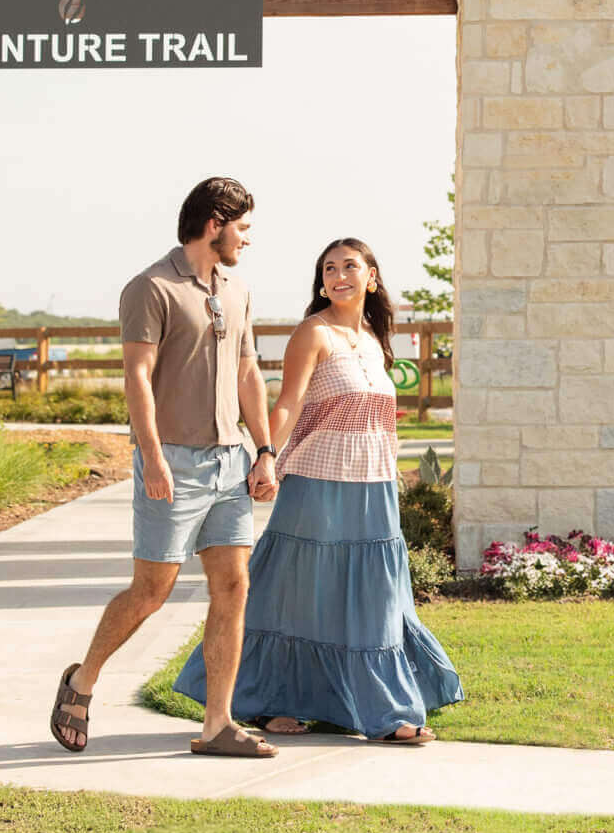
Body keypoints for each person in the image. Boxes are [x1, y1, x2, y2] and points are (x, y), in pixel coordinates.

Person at [173, 237, 462, 744]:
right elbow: (287, 403)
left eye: (350, 266)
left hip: (373, 485)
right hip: (318, 482)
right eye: (329, 268)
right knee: (294, 591)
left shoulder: (375, 337)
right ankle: (269, 701)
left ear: (371, 276)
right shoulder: (314, 333)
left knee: (375, 595)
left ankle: (380, 707)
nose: (338, 275)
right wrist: (265, 453)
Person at [50, 176, 280, 759]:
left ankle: (217, 725)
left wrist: (265, 449)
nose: (247, 239)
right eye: (243, 228)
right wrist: (152, 456)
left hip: (231, 462)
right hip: (172, 462)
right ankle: (82, 682)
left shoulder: (238, 289)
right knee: (152, 590)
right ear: (215, 224)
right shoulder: (149, 287)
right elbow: (137, 379)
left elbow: (249, 373)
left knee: (232, 586)